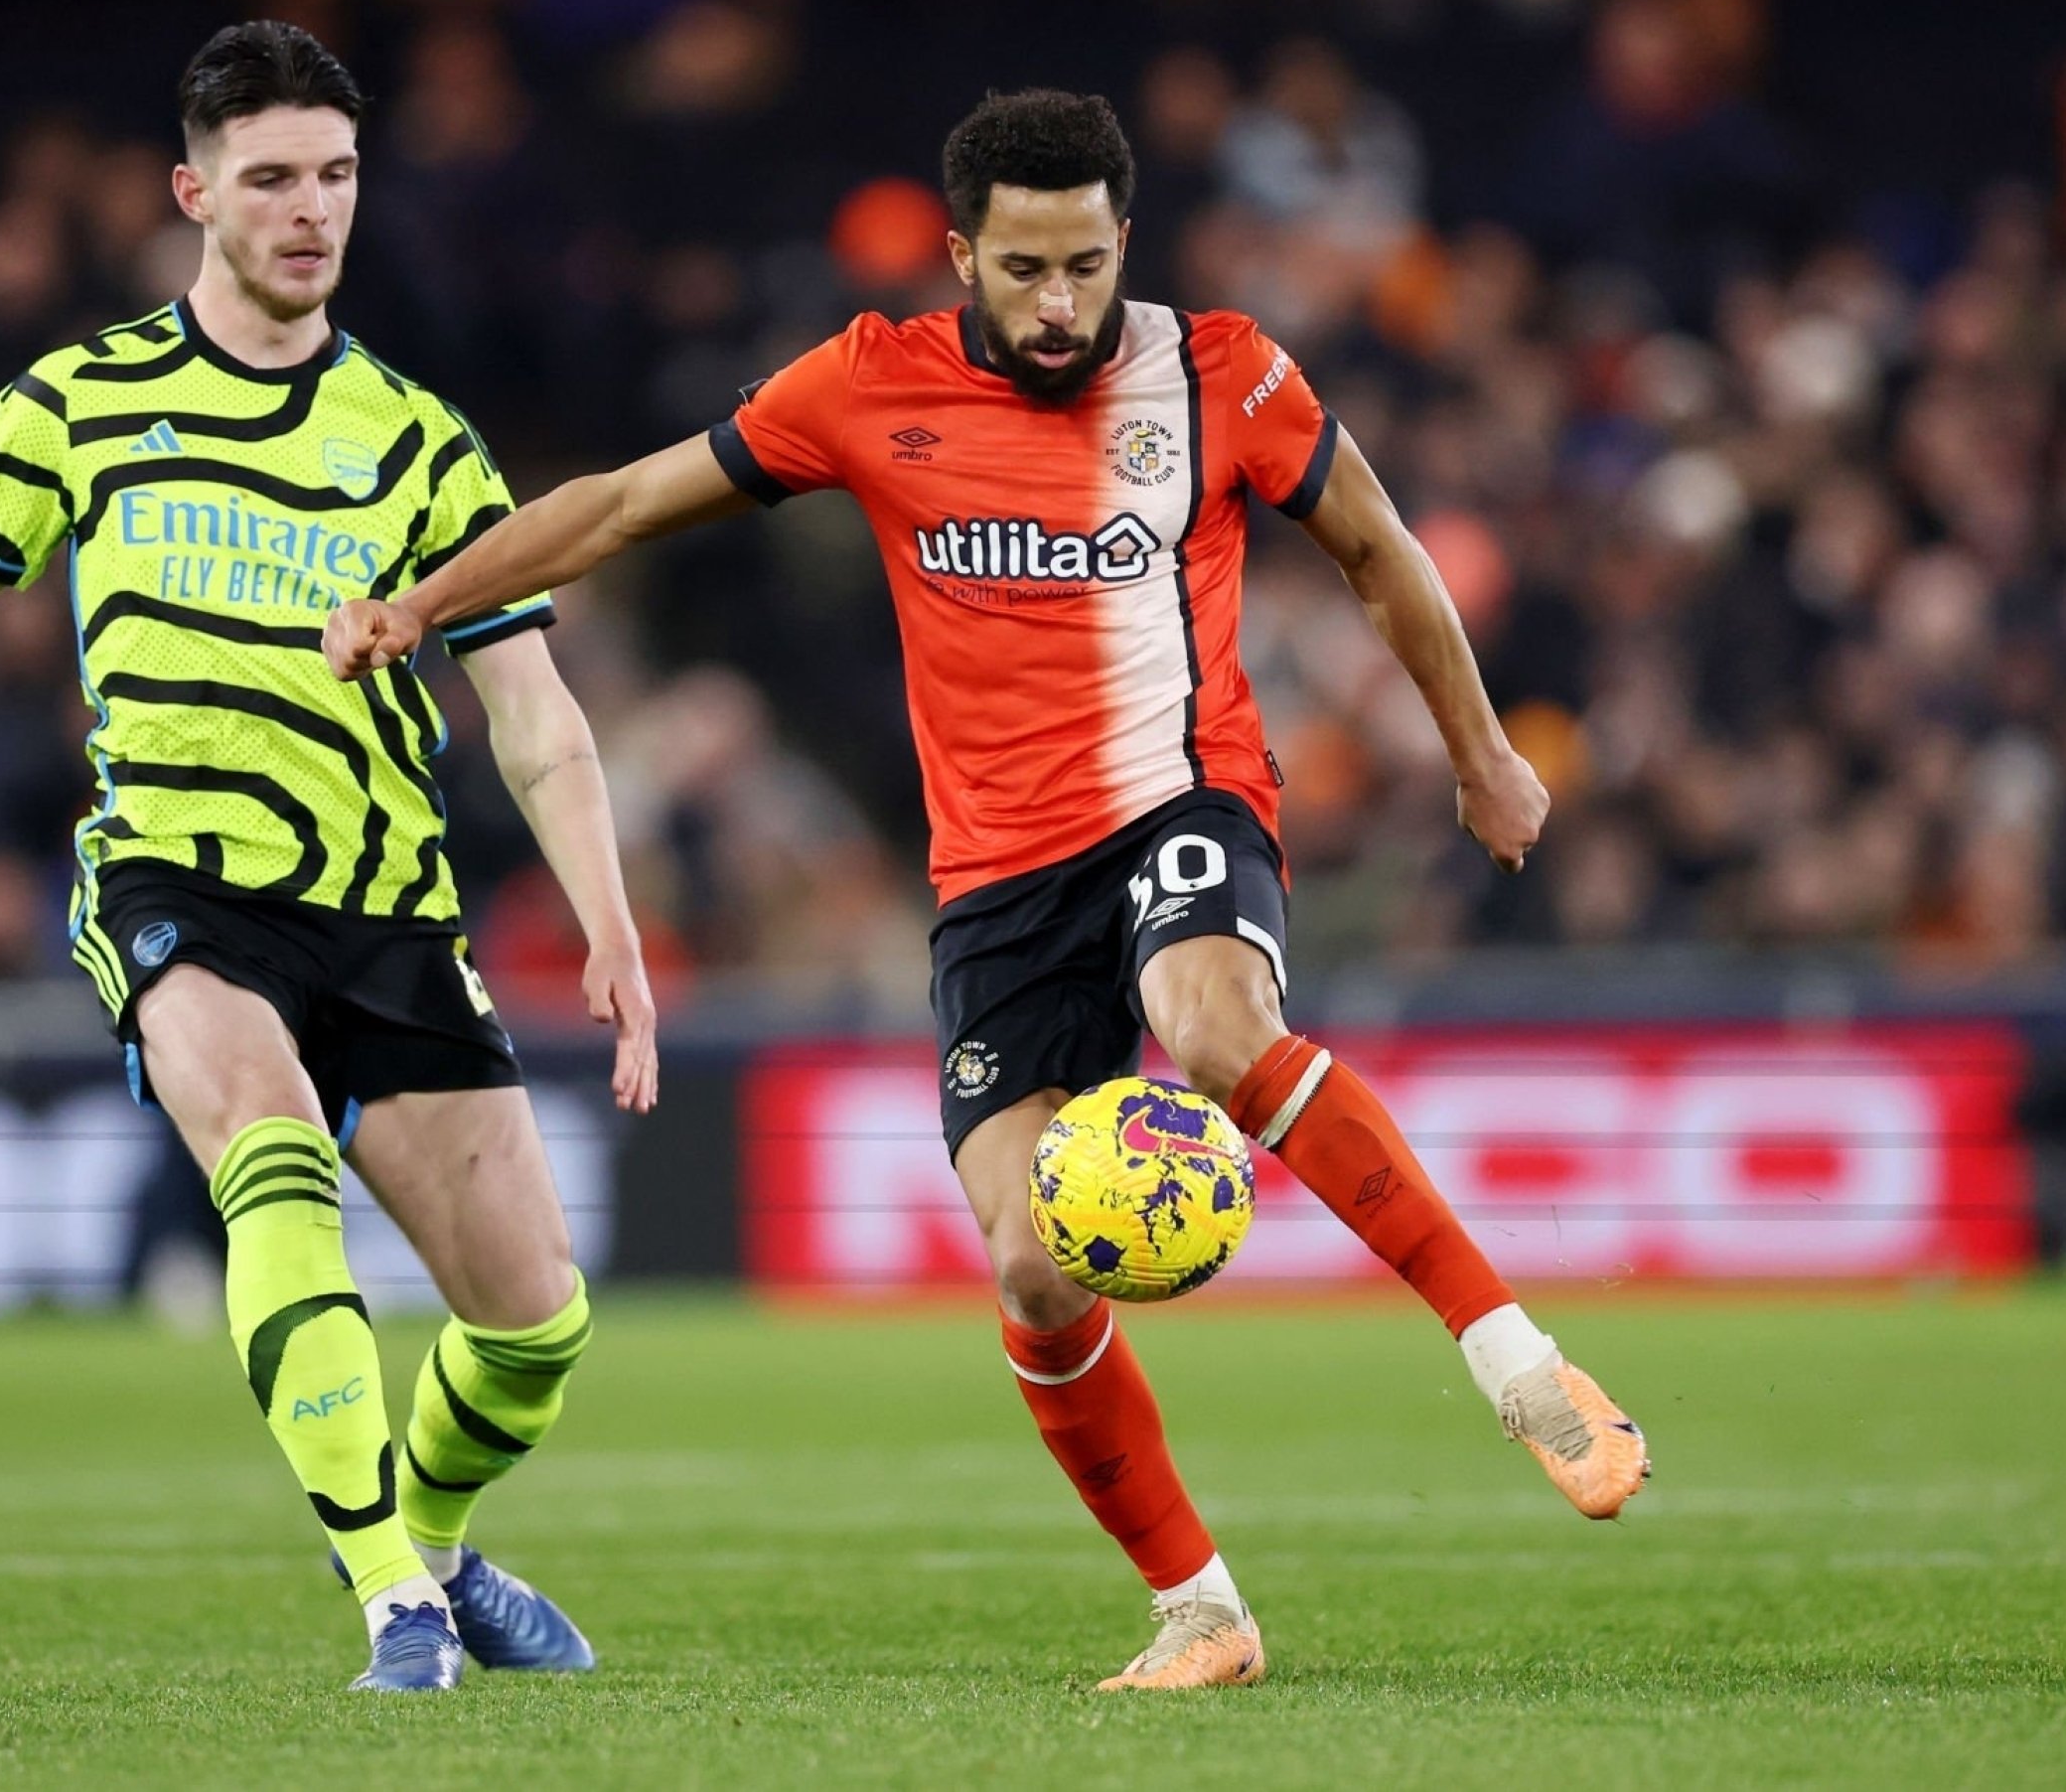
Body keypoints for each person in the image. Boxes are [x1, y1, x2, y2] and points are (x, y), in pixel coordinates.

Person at [326, 88, 1647, 1693]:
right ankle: (1202, 1610)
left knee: (1212, 1020)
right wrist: (426, 601)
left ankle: (1520, 1363)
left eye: (1085, 263)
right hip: (999, 884)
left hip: (1183, 794)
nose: (1056, 303)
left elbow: (1376, 548)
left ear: (1122, 244)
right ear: (960, 252)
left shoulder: (1221, 369)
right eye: (1021, 268)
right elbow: (615, 505)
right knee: (1029, 1264)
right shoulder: (869, 387)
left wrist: (1483, 752)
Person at [0, 21, 659, 1695]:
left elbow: (536, 710)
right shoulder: (79, 402)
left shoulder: (422, 440)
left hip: (386, 905)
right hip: (177, 881)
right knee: (270, 1157)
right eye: (274, 177)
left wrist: (611, 923)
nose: (311, 211)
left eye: (338, 176)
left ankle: (436, 1544)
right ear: (194, 189)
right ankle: (397, 1605)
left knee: (535, 1328)